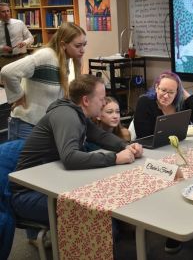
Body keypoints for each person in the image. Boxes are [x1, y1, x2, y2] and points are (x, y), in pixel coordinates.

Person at [10, 74, 143, 243]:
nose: (104, 103)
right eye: (101, 99)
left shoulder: (76, 113)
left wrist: (126, 146)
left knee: (106, 206)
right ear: (86, 100)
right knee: (100, 217)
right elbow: (70, 158)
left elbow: (100, 136)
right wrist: (115, 158)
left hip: (51, 184)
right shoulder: (67, 116)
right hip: (29, 195)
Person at [1, 22, 86, 140]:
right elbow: (8, 72)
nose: (83, 50)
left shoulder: (65, 59)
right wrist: (17, 97)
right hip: (26, 124)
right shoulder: (45, 55)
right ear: (63, 44)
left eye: (84, 45)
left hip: (43, 126)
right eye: (78, 46)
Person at [134, 71, 193, 138]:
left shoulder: (181, 103)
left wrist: (188, 97)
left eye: (171, 92)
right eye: (163, 90)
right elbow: (143, 136)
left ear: (177, 92)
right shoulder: (144, 102)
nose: (166, 96)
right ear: (156, 87)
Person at [0, 2, 33, 69]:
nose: (6, 14)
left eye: (8, 11)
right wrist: (2, 48)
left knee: (24, 79)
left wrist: (24, 43)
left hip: (21, 57)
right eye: (3, 12)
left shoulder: (19, 23)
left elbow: (31, 38)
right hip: (4, 60)